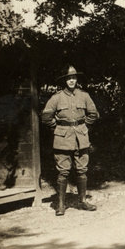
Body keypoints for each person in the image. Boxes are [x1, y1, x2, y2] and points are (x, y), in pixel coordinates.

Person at [41, 65, 99, 215]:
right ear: (64, 81)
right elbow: (46, 116)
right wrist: (58, 128)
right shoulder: (56, 98)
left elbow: (93, 114)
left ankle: (83, 201)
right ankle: (61, 205)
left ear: (76, 79)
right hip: (62, 139)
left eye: (73, 78)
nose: (71, 80)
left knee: (82, 170)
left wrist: (83, 127)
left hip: (81, 138)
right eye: (68, 78)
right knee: (63, 172)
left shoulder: (84, 96)